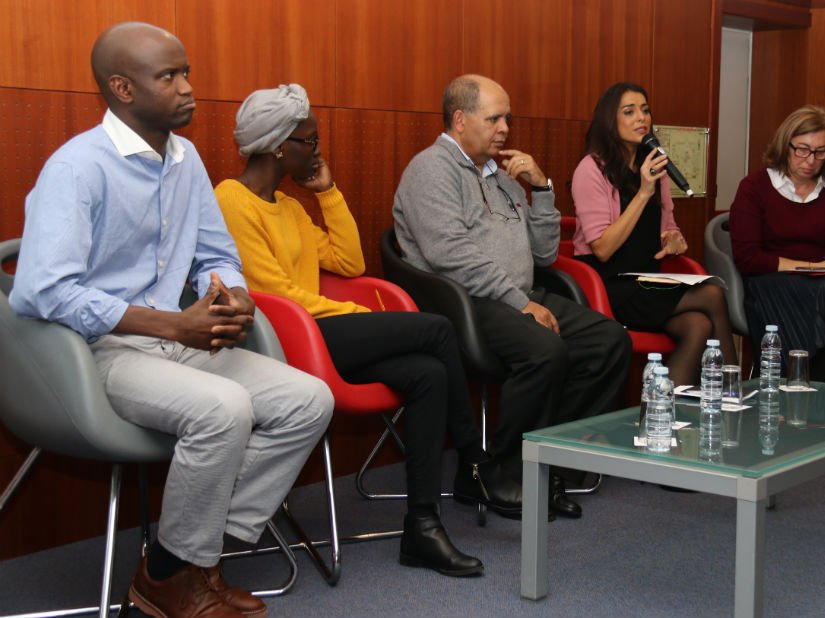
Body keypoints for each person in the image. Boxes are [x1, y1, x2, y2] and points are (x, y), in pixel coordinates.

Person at [8, 22, 333, 618]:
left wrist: (234, 294)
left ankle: (187, 561)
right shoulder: (76, 168)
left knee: (308, 399)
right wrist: (169, 326)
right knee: (223, 409)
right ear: (122, 89)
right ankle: (173, 572)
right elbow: (40, 291)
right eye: (170, 76)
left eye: (187, 72)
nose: (188, 88)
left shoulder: (185, 160)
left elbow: (216, 254)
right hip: (95, 352)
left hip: (177, 342)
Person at [214, 84, 487, 576]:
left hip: (325, 335)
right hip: (285, 345)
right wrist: (354, 315)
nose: (317, 151)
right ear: (280, 146)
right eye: (310, 142)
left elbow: (350, 261)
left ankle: (423, 527)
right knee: (438, 329)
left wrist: (328, 194)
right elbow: (269, 294)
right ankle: (474, 459)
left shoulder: (291, 207)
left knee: (428, 372)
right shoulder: (232, 201)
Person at [393, 74, 632, 520]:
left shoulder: (500, 176)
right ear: (460, 120)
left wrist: (541, 190)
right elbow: (450, 257)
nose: (505, 128)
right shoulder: (431, 170)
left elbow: (542, 254)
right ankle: (496, 472)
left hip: (518, 295)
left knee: (610, 342)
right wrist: (519, 302)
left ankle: (547, 468)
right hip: (464, 306)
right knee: (545, 351)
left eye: (508, 118)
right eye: (495, 118)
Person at [570, 82, 737, 385]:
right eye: (629, 111)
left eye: (645, 110)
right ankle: (730, 392)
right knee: (712, 294)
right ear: (610, 120)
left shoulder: (654, 167)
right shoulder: (591, 169)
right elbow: (603, 248)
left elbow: (668, 227)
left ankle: (659, 416)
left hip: (647, 280)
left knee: (697, 325)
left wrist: (674, 240)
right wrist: (643, 192)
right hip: (610, 285)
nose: (641, 118)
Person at [729, 104, 825, 383]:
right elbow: (748, 258)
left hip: (823, 288)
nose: (810, 159)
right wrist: (812, 268)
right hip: (770, 285)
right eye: (801, 149)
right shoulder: (754, 187)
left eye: (820, 151)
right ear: (785, 144)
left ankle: (824, 390)